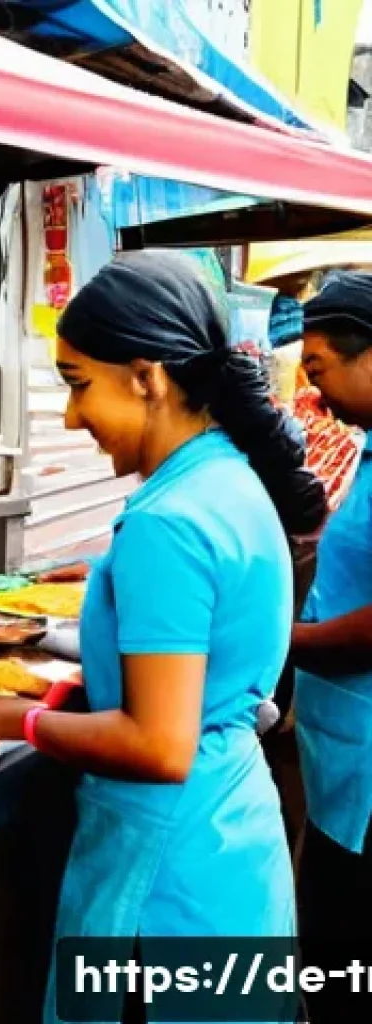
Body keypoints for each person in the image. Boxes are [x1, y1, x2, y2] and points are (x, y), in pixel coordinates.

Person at [0, 251, 326, 1024]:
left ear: (147, 376)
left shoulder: (167, 521)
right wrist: (72, 691)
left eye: (79, 384)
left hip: (167, 880)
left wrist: (13, 720)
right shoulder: (228, 479)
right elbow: (200, 675)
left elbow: (160, 744)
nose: (70, 417)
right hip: (227, 845)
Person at [290, 272, 372, 1020]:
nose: (313, 393)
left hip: (368, 794)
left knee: (347, 971)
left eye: (319, 370)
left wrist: (280, 642)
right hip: (340, 769)